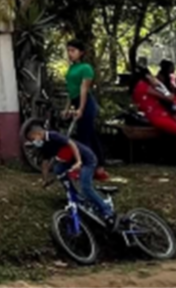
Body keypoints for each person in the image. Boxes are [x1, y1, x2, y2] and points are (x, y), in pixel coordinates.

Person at [26, 120, 113, 223]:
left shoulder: (53, 135)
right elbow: (45, 163)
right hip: (70, 160)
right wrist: (45, 179)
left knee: (85, 187)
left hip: (87, 159)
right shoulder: (45, 145)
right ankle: (75, 196)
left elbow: (71, 143)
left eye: (33, 139)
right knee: (58, 169)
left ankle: (107, 210)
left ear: (38, 133)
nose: (33, 142)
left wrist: (79, 161)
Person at [132, 64, 176, 172]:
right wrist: (160, 85)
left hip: (164, 114)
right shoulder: (143, 86)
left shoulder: (146, 86)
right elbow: (169, 98)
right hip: (156, 116)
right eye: (152, 76)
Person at [63, 40, 108, 180]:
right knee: (89, 136)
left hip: (86, 103)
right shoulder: (71, 69)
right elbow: (71, 91)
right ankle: (98, 166)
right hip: (76, 102)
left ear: (81, 52)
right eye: (68, 50)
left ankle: (87, 167)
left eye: (73, 51)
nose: (70, 54)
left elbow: (84, 89)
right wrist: (67, 108)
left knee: (85, 137)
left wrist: (81, 109)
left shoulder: (86, 68)